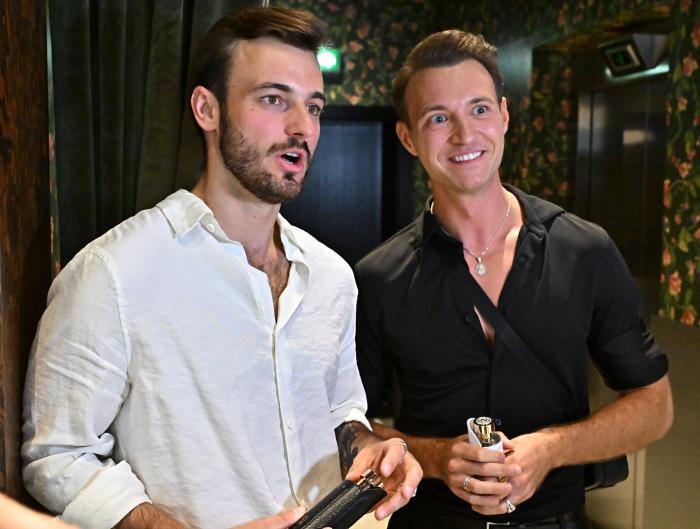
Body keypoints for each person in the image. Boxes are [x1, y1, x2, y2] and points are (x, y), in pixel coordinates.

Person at [22, 7, 421, 529]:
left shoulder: (331, 276)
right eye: (274, 99)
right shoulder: (113, 273)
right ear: (207, 109)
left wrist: (369, 445)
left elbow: (339, 410)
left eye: (314, 107)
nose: (302, 127)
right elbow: (58, 457)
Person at [354, 30, 673, 529]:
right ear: (408, 137)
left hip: (558, 520)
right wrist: (436, 458)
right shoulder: (378, 277)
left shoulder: (584, 249)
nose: (464, 135)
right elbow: (353, 427)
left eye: (479, 109)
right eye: (438, 117)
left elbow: (654, 406)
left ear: (503, 115)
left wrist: (550, 449)